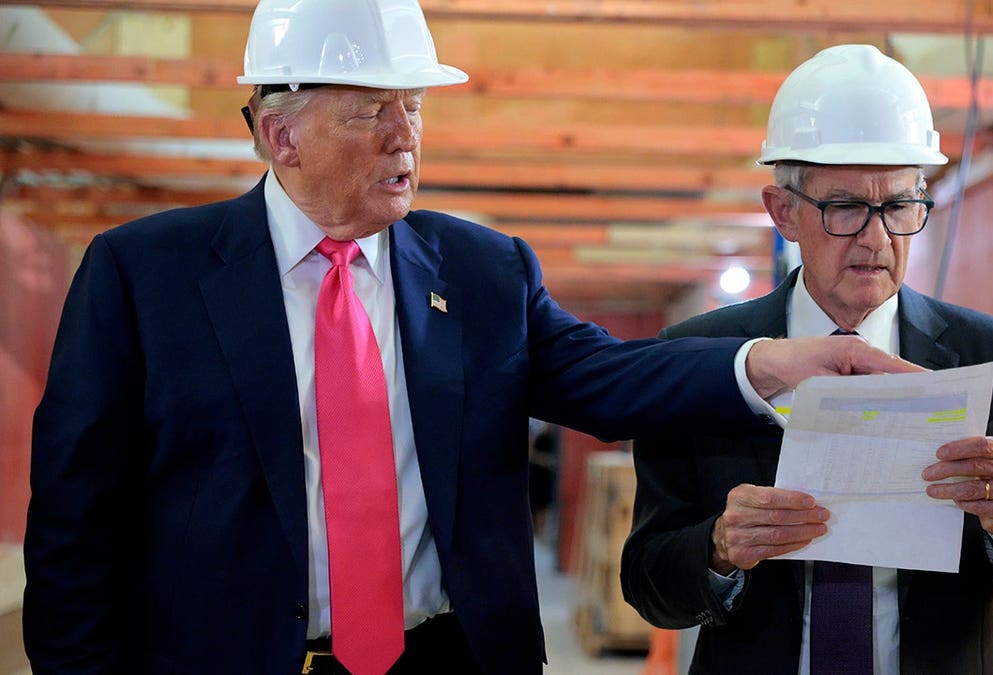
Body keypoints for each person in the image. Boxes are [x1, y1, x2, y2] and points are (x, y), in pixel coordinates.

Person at [21, 5, 920, 673]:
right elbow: (74, 524)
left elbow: (605, 378)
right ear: (279, 132)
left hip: (448, 657)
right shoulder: (145, 277)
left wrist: (769, 361)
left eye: (414, 106)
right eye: (373, 111)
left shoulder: (483, 271)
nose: (407, 136)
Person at [620, 44, 993, 674]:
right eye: (845, 208)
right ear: (784, 211)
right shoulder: (701, 358)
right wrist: (719, 548)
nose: (877, 239)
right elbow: (648, 582)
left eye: (897, 207)